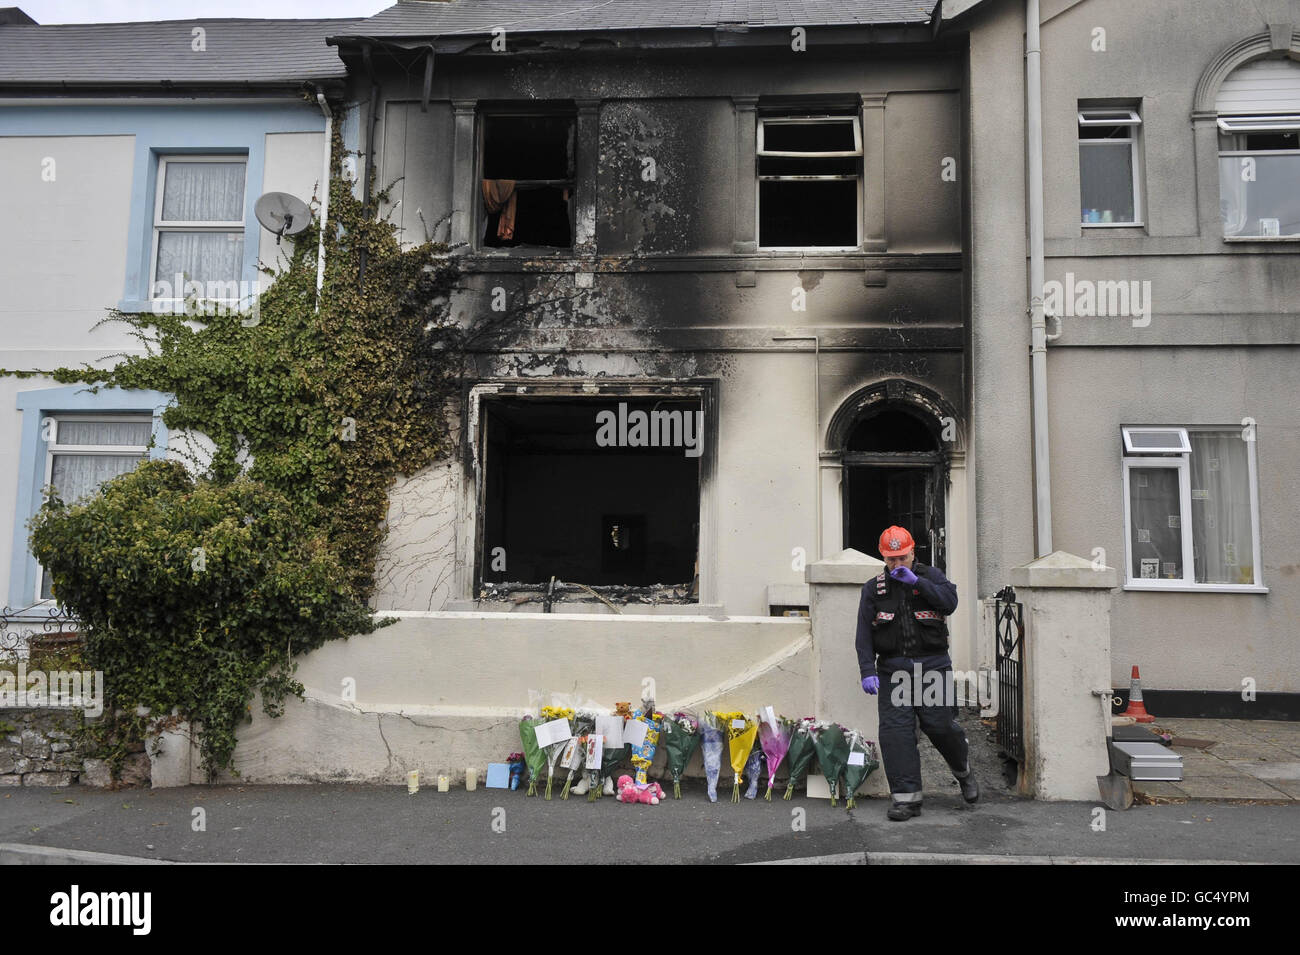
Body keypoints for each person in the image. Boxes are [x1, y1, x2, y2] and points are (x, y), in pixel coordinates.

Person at [855, 525, 978, 820]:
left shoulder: (932, 577)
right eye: (890, 559)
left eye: (901, 557)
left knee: (941, 726)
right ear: (883, 558)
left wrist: (918, 583)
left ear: (912, 552)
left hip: (932, 666)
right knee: (896, 734)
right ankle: (906, 800)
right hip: (893, 669)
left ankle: (963, 772)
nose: (897, 564)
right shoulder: (874, 588)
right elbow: (863, 633)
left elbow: (950, 604)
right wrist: (867, 670)